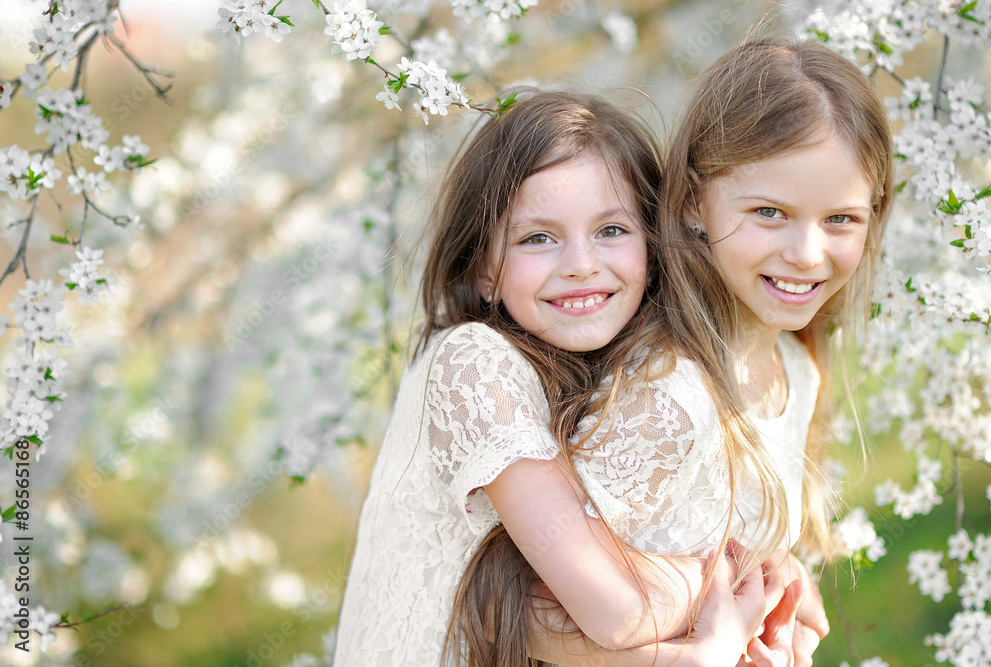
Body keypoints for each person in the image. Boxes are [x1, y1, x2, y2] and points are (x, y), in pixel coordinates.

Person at [448, 36, 894, 667]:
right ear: (692, 204)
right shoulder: (667, 394)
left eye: (841, 219)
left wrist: (777, 594)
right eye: (770, 211)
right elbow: (518, 604)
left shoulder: (795, 369)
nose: (807, 252)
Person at [332, 90, 781, 667]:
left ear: (652, 242)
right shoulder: (471, 362)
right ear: (485, 269)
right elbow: (616, 608)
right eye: (537, 238)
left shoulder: (619, 372)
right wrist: (732, 580)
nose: (580, 263)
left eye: (612, 230)